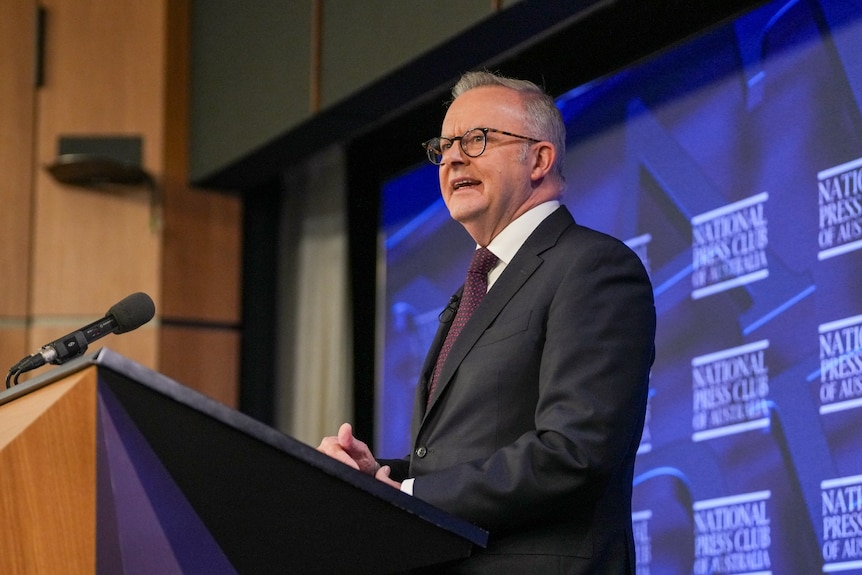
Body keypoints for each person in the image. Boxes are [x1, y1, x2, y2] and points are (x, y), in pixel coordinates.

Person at [318, 70, 656, 574]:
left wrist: (411, 494)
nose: (453, 157)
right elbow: (456, 456)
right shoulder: (478, 285)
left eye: (477, 140)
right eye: (446, 145)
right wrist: (379, 477)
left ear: (539, 158)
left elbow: (574, 452)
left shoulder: (591, 267)